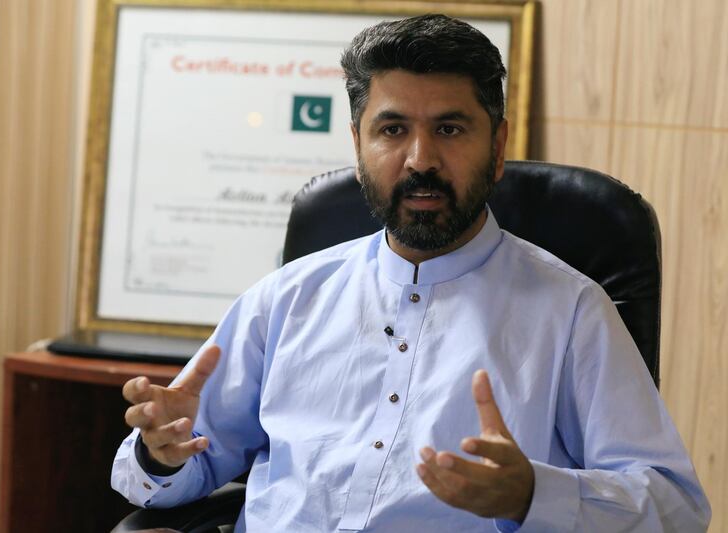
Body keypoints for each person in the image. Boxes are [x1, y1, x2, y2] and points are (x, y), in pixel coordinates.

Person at [112, 14, 711, 532]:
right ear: (358, 144)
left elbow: (675, 509)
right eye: (393, 130)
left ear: (497, 146)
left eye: (449, 129)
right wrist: (160, 454)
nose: (421, 159)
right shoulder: (286, 298)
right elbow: (163, 473)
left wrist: (533, 496)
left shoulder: (571, 310)